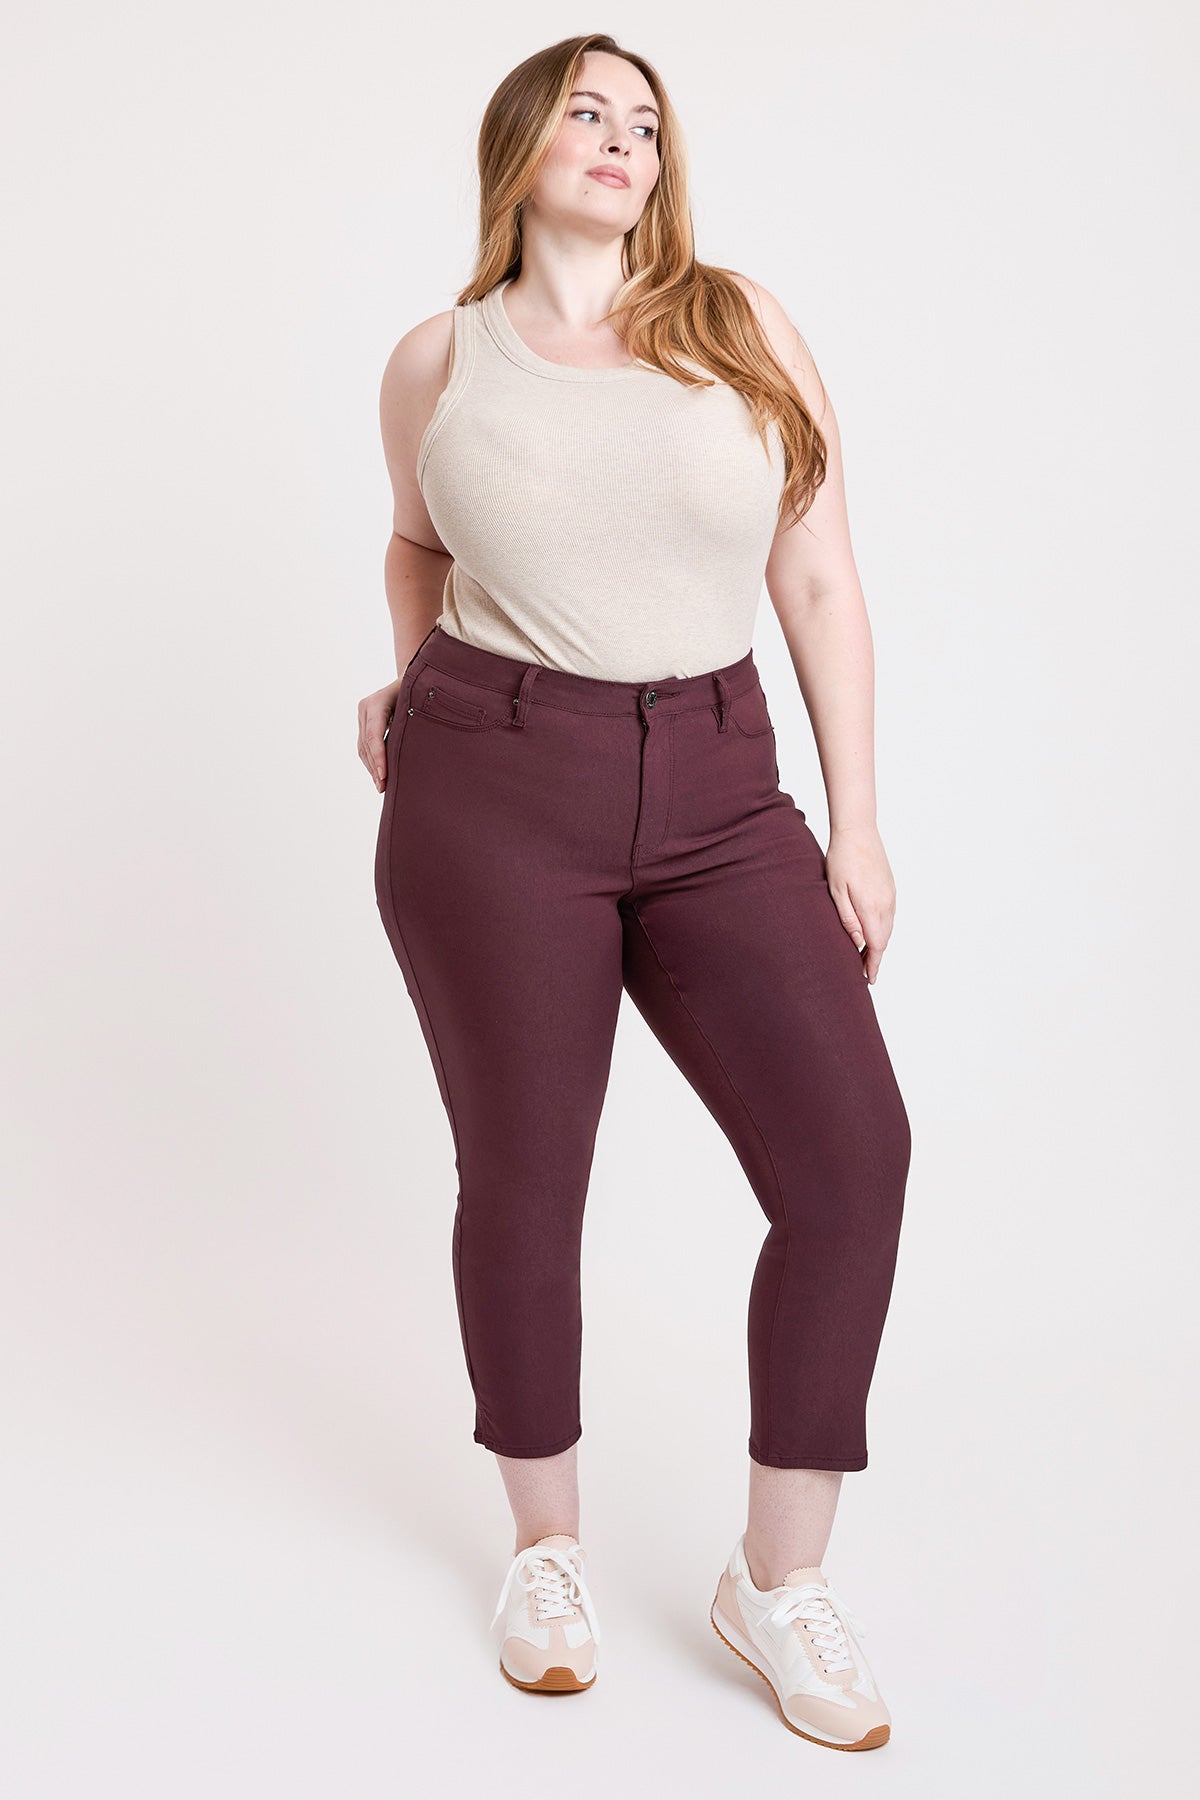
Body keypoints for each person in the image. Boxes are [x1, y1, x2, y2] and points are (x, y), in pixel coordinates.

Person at [357, 33, 911, 1752]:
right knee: (528, 1175)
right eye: (589, 113)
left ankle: (779, 1582)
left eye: (646, 124)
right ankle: (546, 1556)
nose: (622, 141)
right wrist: (413, 682)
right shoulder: (439, 360)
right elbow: (418, 547)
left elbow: (817, 579)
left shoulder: (741, 328)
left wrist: (856, 823)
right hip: (493, 789)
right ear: (521, 146)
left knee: (851, 1159)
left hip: (724, 787)